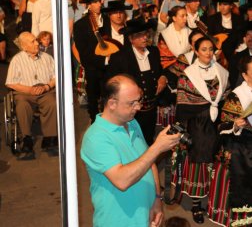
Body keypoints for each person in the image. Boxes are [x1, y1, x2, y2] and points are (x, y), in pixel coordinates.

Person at [80, 75, 181, 227]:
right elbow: (122, 180)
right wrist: (157, 147)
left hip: (144, 218)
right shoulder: (95, 138)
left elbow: (149, 163)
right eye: (132, 103)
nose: (138, 107)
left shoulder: (131, 123)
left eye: (139, 100)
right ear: (112, 103)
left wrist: (156, 200)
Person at [208, 56, 252, 226]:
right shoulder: (236, 96)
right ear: (245, 76)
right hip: (241, 147)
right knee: (242, 180)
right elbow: (222, 125)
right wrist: (235, 125)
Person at [171, 37, 229, 223]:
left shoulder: (221, 71)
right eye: (203, 49)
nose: (208, 53)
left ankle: (212, 200)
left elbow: (226, 97)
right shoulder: (188, 74)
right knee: (198, 164)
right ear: (196, 51)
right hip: (197, 124)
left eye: (211, 49)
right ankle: (196, 204)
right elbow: (182, 104)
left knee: (215, 162)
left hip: (216, 124)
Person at [106, 19, 169, 144]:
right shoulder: (119, 57)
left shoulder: (154, 52)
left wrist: (163, 77)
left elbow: (161, 71)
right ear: (131, 39)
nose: (145, 37)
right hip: (131, 111)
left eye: (146, 34)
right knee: (132, 140)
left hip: (151, 107)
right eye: (140, 35)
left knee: (149, 138)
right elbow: (110, 84)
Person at [6, 31, 57, 159]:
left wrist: (47, 86)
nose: (37, 43)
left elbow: (56, 77)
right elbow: (10, 83)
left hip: (44, 90)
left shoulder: (47, 58)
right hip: (24, 92)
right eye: (33, 41)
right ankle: (27, 138)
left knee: (52, 103)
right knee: (22, 105)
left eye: (36, 40)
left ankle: (49, 137)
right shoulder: (17, 60)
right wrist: (28, 90)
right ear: (24, 47)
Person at [73, 0, 109, 121]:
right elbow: (83, 51)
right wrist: (102, 60)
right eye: (95, 2)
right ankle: (94, 122)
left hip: (110, 66)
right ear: (89, 5)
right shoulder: (80, 25)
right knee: (93, 97)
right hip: (93, 67)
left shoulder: (108, 20)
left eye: (100, 1)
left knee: (109, 97)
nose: (99, 4)